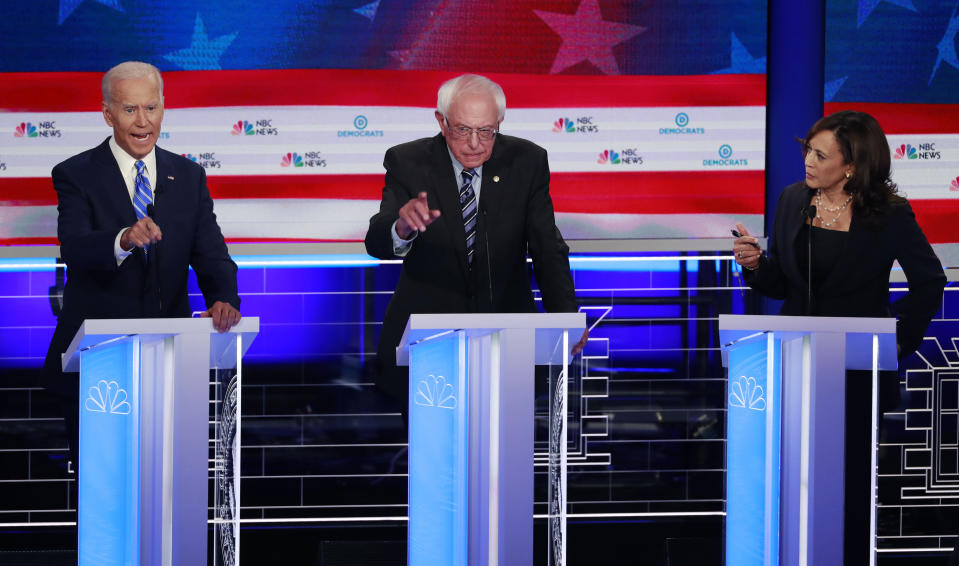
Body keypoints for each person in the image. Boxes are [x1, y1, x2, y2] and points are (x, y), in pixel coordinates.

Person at [733, 110, 946, 565]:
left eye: (819, 154)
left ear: (851, 165)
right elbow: (784, 285)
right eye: (807, 150)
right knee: (789, 477)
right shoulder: (793, 200)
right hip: (793, 363)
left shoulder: (887, 215)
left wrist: (893, 342)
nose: (807, 161)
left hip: (857, 371)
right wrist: (754, 266)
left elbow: (929, 281)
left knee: (848, 483)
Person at [42, 61, 242, 474]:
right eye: (130, 110)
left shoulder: (187, 176)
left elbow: (211, 253)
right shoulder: (76, 174)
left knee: (167, 481)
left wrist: (223, 298)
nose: (142, 121)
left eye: (150, 108)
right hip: (97, 363)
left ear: (163, 108)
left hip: (170, 360)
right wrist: (124, 239)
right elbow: (75, 247)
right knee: (105, 485)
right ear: (108, 113)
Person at [365, 73, 588, 413]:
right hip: (428, 342)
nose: (474, 143)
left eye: (486, 131)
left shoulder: (526, 162)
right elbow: (377, 239)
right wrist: (402, 227)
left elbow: (547, 249)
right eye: (462, 130)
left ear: (499, 123)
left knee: (504, 453)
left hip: (508, 337)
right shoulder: (408, 161)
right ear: (442, 122)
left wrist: (566, 318)